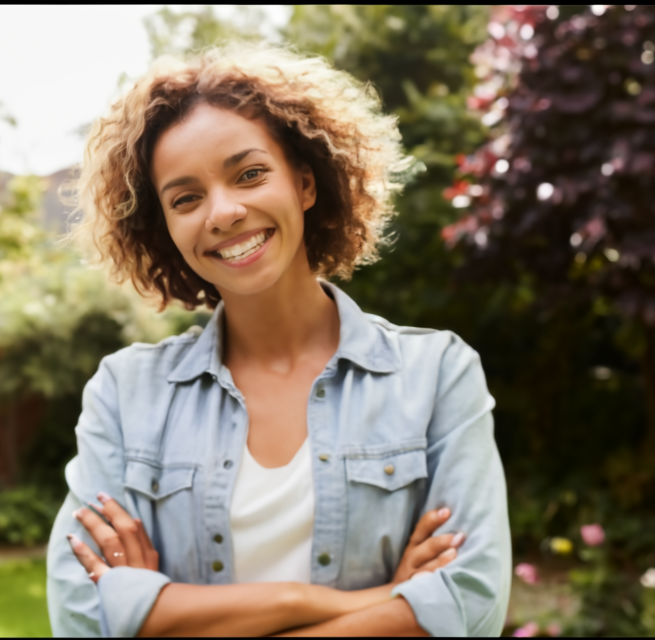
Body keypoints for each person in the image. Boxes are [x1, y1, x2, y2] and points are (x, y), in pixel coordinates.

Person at [47, 45, 511, 637]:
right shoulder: (125, 391)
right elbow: (83, 620)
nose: (222, 212)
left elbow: (470, 603)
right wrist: (375, 601)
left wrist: (157, 614)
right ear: (164, 226)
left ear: (306, 184)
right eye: (185, 198)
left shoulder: (436, 373)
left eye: (249, 174)